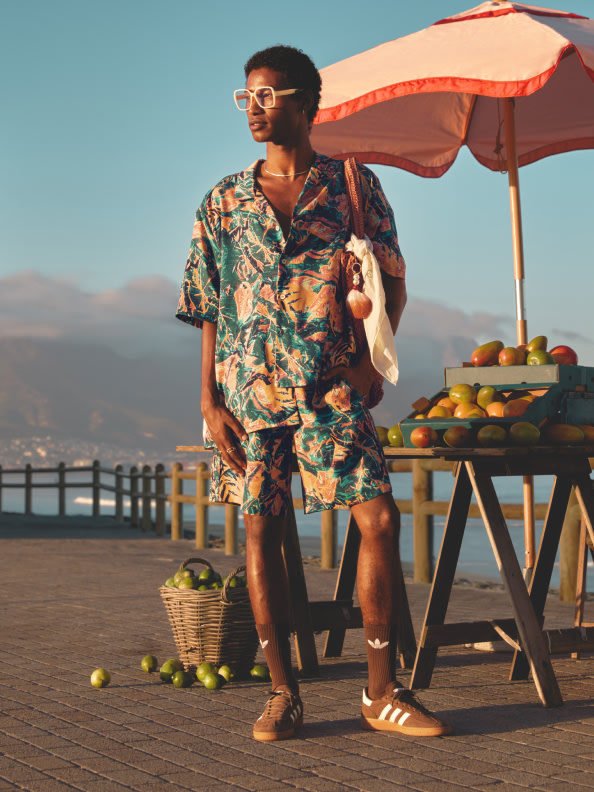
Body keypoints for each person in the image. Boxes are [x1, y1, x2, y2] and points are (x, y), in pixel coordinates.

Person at [176, 45, 450, 741]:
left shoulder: (352, 187)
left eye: (267, 95)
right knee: (261, 534)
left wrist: (368, 371)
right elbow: (207, 307)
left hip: (332, 391)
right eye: (246, 97)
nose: (254, 108)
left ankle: (382, 693)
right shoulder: (223, 203)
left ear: (306, 102)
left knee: (378, 520)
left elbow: (392, 282)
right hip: (250, 397)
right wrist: (208, 402)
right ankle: (282, 694)